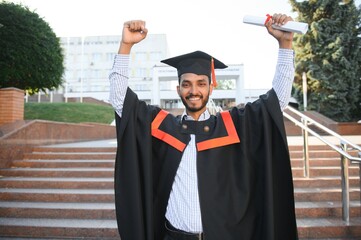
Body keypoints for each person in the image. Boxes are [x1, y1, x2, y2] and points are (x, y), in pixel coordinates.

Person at [110, 14, 298, 240]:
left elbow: (276, 102)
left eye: (201, 83)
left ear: (211, 87)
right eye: (186, 84)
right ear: (178, 89)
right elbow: (120, 100)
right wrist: (126, 46)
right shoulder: (164, 127)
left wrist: (285, 44)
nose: (194, 91)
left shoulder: (232, 125)